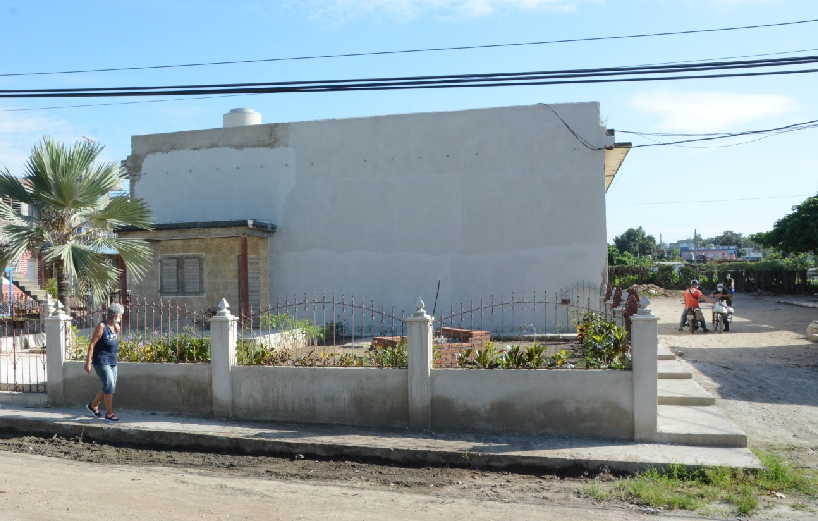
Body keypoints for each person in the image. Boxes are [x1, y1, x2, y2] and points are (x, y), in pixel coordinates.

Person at [84, 303, 124, 422]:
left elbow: (112, 342)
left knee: (109, 386)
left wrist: (117, 331)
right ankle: (109, 413)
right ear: (116, 315)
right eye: (121, 315)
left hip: (112, 360)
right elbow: (92, 344)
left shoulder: (116, 326)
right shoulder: (101, 326)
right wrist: (88, 362)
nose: (121, 317)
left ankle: (93, 405)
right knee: (110, 385)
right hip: (101, 360)